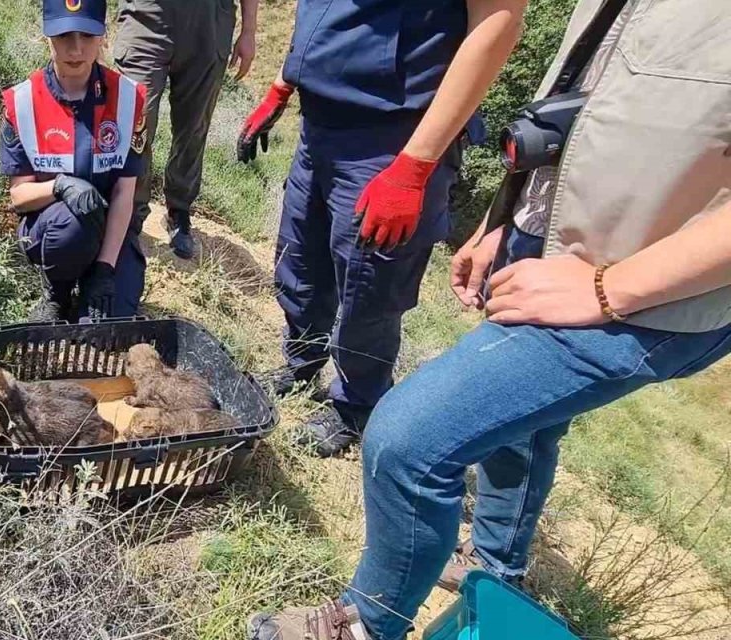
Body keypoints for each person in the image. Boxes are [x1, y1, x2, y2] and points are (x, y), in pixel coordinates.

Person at [248, 0, 731, 638]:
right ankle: (496, 562)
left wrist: (607, 287)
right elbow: (575, 113)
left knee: (406, 440)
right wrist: (505, 219)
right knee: (521, 419)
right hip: (549, 247)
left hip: (646, 293)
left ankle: (364, 624)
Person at [236, 0, 523, 458]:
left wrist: (414, 166)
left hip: (392, 139)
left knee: (368, 287)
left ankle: (357, 403)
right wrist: (284, 83)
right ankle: (302, 359)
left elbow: (497, 24)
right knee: (301, 257)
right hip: (320, 125)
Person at [1, 0, 149, 323]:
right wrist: (60, 186)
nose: (76, 49)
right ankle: (57, 291)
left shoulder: (128, 99)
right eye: (64, 36)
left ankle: (95, 280)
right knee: (71, 227)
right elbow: (18, 197)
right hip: (55, 229)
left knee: (110, 327)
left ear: (103, 36)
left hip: (110, 230)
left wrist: (105, 269)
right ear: (47, 37)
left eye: (87, 35)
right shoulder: (22, 102)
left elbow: (125, 192)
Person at [114, 0, 259, 260]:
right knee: (136, 117)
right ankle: (129, 213)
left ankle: (179, 209)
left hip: (209, 23)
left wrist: (249, 30)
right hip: (146, 17)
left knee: (194, 125)